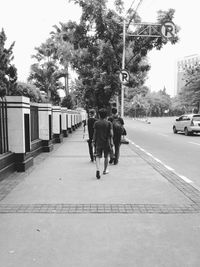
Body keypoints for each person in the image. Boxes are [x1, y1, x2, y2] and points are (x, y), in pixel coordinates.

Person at [93, 108, 113, 179]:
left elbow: (94, 134)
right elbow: (111, 134)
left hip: (98, 142)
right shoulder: (109, 123)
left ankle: (98, 170)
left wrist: (93, 141)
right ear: (106, 115)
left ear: (99, 115)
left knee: (97, 156)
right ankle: (105, 170)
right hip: (106, 142)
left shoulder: (96, 123)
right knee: (106, 157)